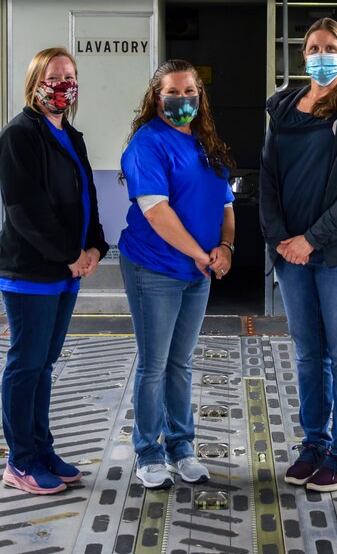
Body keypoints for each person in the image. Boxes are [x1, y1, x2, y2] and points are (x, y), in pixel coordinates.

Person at [260, 17, 337, 493]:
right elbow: (268, 177)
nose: (321, 54)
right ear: (302, 55)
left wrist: (311, 239)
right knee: (310, 354)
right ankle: (314, 444)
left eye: (330, 46)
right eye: (313, 47)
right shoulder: (283, 108)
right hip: (292, 254)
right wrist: (279, 240)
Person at [0, 47, 109, 495]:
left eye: (70, 76)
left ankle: (42, 450)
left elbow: (86, 196)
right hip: (30, 271)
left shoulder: (70, 135)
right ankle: (20, 461)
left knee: (44, 364)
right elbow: (26, 211)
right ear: (35, 81)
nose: (64, 84)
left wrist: (96, 245)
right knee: (26, 364)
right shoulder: (19, 135)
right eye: (55, 75)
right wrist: (70, 254)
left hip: (64, 270)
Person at [119, 59, 236, 490]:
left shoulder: (206, 143)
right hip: (156, 268)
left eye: (191, 92)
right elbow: (157, 212)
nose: (183, 100)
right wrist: (202, 256)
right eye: (174, 92)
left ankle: (181, 448)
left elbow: (225, 203)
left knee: (180, 364)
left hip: (196, 271)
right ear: (156, 96)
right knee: (154, 365)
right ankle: (148, 452)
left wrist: (225, 247)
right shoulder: (147, 144)